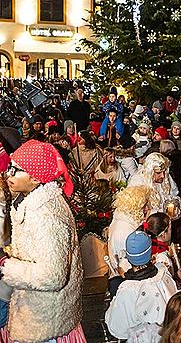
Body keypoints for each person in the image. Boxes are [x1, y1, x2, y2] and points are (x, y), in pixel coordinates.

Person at [0, 140, 85, 343]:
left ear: (36, 178)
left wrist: (5, 265)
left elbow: (52, 276)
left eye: (17, 170)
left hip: (43, 321)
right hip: (41, 311)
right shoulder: (34, 200)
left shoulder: (44, 214)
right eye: (10, 167)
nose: (8, 174)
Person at [105, 231, 177, 342]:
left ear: (128, 257)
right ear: (150, 252)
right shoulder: (163, 274)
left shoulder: (128, 288)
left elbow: (117, 328)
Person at [107, 185, 152, 281]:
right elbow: (126, 265)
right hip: (129, 278)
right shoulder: (124, 230)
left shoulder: (124, 220)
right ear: (136, 208)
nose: (148, 209)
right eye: (145, 206)